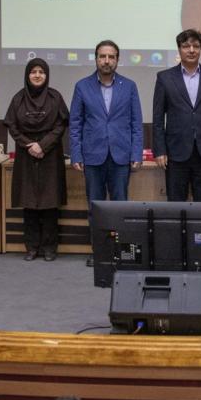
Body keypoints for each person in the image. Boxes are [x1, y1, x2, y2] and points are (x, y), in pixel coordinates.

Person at [69, 40, 142, 266]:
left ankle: (121, 253)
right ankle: (99, 252)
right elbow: (75, 124)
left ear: (117, 60)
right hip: (93, 156)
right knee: (96, 207)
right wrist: (76, 154)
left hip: (121, 156)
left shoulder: (129, 86)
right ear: (96, 59)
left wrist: (136, 153)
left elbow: (136, 123)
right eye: (102, 56)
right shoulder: (82, 86)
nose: (106, 61)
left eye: (111, 57)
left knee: (120, 206)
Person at [152, 29, 201, 202]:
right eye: (186, 46)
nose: (191, 50)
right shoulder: (165, 78)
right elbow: (158, 119)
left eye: (196, 46)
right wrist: (160, 150)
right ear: (179, 49)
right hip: (175, 153)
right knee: (175, 203)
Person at [4, 58, 68, 261]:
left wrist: (43, 145)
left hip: (50, 154)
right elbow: (12, 125)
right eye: (33, 72)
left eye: (41, 72)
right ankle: (31, 247)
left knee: (50, 203)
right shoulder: (18, 98)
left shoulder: (55, 97)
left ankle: (49, 248)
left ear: (47, 75)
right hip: (26, 154)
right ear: (27, 75)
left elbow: (61, 124)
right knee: (29, 203)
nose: (38, 75)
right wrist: (30, 145)